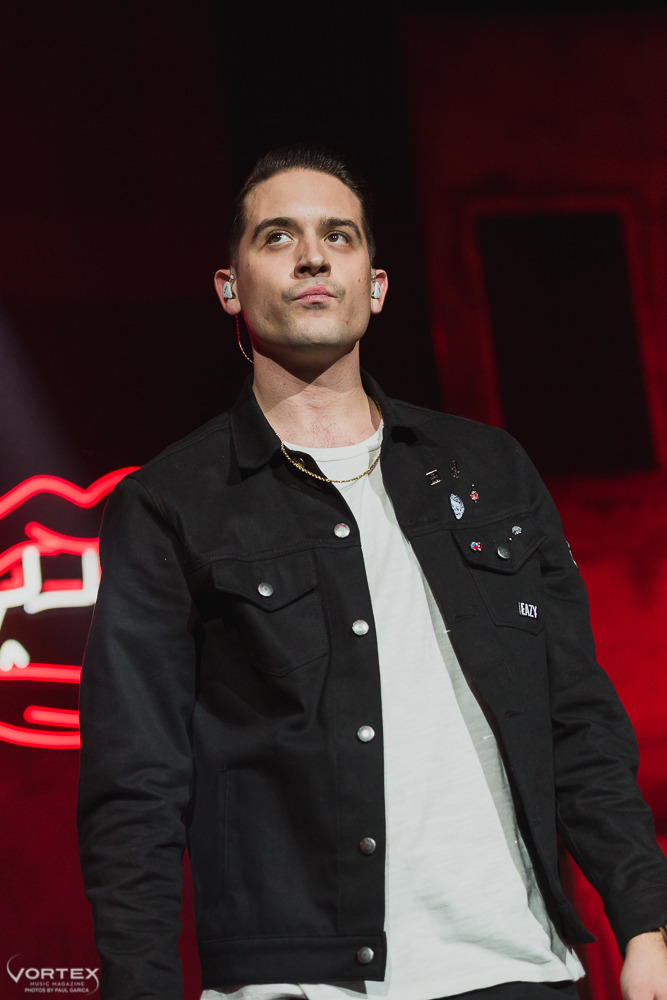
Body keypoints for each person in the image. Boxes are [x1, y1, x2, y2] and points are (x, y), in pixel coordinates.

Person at [77, 146, 667, 1000]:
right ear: (228, 287)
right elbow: (135, 788)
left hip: (517, 971)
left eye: (338, 235)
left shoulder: (488, 471)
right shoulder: (170, 505)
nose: (313, 256)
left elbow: (576, 720)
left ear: (375, 284)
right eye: (278, 236)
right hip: (297, 985)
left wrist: (645, 923)